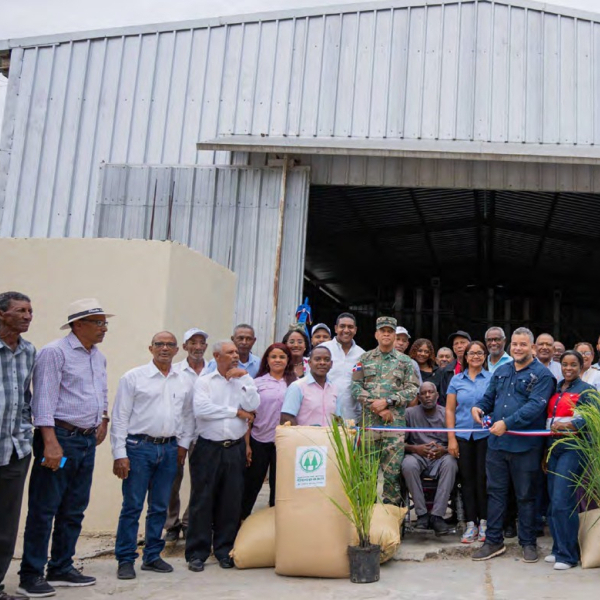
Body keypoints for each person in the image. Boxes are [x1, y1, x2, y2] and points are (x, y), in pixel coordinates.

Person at [18, 299, 113, 598]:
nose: (104, 328)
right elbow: (43, 400)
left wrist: (103, 419)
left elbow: (101, 391)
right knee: (44, 509)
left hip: (85, 441)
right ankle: (31, 574)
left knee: (74, 508)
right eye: (98, 322)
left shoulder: (98, 356)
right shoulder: (54, 353)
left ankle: (61, 566)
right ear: (78, 324)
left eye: (105, 323)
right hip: (60, 439)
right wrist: (50, 442)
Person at [111, 332, 195, 580]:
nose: (164, 348)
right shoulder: (133, 377)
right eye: (159, 344)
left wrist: (183, 445)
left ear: (177, 350)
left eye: (170, 345)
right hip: (139, 448)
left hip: (169, 449)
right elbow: (120, 417)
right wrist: (119, 453)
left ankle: (152, 556)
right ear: (151, 348)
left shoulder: (184, 380)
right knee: (132, 506)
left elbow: (188, 416)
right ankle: (126, 559)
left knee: (159, 506)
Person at [471, 327, 555, 563]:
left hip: (525, 447)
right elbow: (489, 398)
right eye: (515, 344)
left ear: (532, 348)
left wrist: (507, 423)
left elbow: (534, 407)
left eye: (523, 344)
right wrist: (479, 408)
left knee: (526, 496)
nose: (518, 348)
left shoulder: (542, 375)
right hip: (497, 445)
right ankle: (493, 541)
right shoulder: (502, 370)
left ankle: (528, 542)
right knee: (495, 494)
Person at [185, 341, 259, 572]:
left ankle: (224, 550)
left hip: (234, 448)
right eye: (230, 352)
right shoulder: (205, 382)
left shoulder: (243, 381)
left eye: (236, 352)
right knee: (202, 501)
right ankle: (197, 553)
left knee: (231, 501)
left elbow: (253, 405)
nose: (236, 355)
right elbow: (202, 410)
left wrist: (247, 379)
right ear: (217, 356)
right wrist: (235, 412)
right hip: (208, 448)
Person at [351, 316, 420, 506]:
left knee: (392, 474)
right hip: (369, 426)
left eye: (390, 331)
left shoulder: (405, 362)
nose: (386, 334)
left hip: (394, 427)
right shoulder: (363, 359)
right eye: (383, 331)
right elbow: (355, 387)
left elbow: (412, 389)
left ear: (395, 335)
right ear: (376, 334)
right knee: (367, 472)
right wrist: (378, 407)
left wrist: (388, 401)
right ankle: (367, 514)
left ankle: (391, 516)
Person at [544, 350, 595, 571]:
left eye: (573, 365)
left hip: (573, 449)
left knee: (563, 500)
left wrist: (569, 425)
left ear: (581, 366)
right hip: (553, 448)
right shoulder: (556, 389)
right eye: (565, 364)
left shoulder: (587, 390)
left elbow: (590, 418)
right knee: (553, 501)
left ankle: (568, 555)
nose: (568, 368)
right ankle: (558, 548)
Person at [0, 292, 35, 600]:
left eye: (30, 311)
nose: (27, 316)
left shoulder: (28, 351)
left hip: (15, 451)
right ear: (2, 314)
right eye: (20, 311)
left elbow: (25, 397)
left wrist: (25, 429)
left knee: (6, 526)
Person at [164, 328, 208, 543]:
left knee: (200, 480)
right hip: (178, 433)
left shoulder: (213, 369)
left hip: (204, 434)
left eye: (201, 343)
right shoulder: (175, 371)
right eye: (193, 342)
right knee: (172, 480)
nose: (197, 347)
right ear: (184, 347)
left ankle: (190, 521)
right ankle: (171, 524)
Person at [241, 343, 296, 519]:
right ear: (267, 360)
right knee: (252, 483)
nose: (277, 360)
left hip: (285, 442)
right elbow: (248, 416)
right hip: (260, 439)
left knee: (279, 486)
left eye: (282, 357)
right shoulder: (257, 383)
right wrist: (247, 444)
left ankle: (276, 523)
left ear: (288, 360)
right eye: (274, 357)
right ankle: (241, 521)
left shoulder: (295, 383)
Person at [446, 341, 491, 544]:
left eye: (480, 353)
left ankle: (485, 522)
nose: (475, 356)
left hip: (485, 436)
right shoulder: (457, 380)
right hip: (463, 436)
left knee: (483, 478)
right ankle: (471, 523)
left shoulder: (491, 378)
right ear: (465, 357)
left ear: (485, 356)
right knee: (466, 480)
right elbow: (450, 410)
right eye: (471, 353)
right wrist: (451, 438)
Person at [402, 382, 458, 536]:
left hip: (441, 457)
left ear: (437, 395)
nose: (427, 396)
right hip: (418, 456)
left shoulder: (446, 413)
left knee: (451, 463)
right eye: (423, 393)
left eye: (431, 392)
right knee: (408, 464)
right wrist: (416, 449)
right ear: (419, 397)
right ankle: (422, 514)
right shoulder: (409, 413)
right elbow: (400, 443)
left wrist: (444, 450)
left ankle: (437, 516)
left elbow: (456, 443)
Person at [320, 313, 364, 420]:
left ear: (355, 330)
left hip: (351, 417)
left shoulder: (362, 355)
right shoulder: (323, 350)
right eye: (342, 326)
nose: (346, 330)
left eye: (350, 327)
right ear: (336, 328)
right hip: (323, 416)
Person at [280, 346, 338, 426]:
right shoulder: (297, 387)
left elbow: (338, 419)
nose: (322, 363)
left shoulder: (334, 388)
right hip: (303, 434)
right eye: (317, 359)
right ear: (309, 363)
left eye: (326, 360)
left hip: (330, 434)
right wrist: (302, 432)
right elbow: (286, 417)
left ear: (331, 364)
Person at [438, 330, 472, 406]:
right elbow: (443, 396)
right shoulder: (447, 370)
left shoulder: (478, 366)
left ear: (470, 345)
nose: (459, 346)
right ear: (453, 348)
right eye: (456, 344)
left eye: (462, 343)